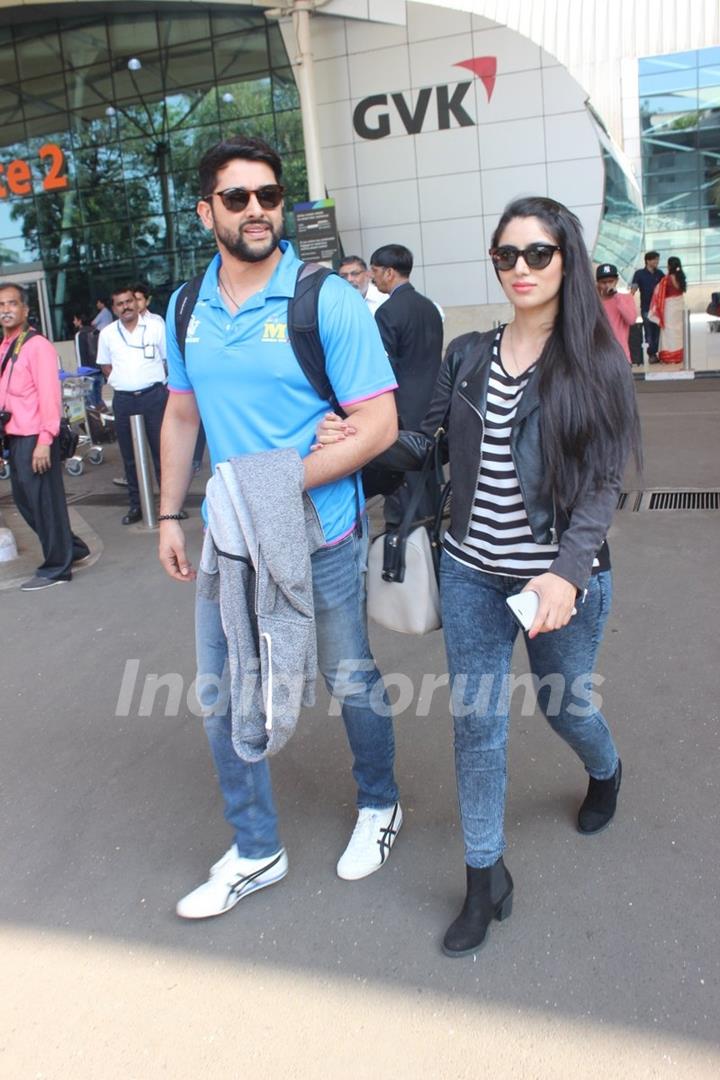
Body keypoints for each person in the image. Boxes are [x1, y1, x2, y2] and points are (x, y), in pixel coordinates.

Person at [316, 197, 641, 958]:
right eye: (507, 255)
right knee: (478, 724)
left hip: (560, 584)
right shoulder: (468, 353)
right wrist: (358, 441)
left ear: (567, 259)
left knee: (567, 709)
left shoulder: (594, 359)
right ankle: (484, 877)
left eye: (538, 253)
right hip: (470, 574)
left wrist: (565, 574)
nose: (521, 269)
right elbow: (422, 440)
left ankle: (607, 768)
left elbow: (600, 487)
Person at [158, 135, 402, 920]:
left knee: (348, 676)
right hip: (233, 542)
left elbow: (379, 426)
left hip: (321, 534)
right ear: (207, 212)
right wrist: (169, 513)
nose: (258, 210)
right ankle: (257, 848)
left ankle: (380, 803)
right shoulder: (186, 306)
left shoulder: (323, 297)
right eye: (238, 198)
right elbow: (182, 412)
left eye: (269, 196)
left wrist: (280, 483)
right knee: (225, 696)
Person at [0, 282, 90, 590]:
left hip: (36, 437)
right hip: (14, 437)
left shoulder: (37, 346)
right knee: (26, 503)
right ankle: (72, 547)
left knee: (44, 504)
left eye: (12, 304)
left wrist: (44, 440)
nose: (6, 310)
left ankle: (57, 567)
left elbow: (50, 397)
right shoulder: (5, 347)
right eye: (1, 305)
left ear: (25, 310)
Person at [369, 243, 444, 526]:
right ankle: (431, 530)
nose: (373, 277)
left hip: (403, 409)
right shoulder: (430, 308)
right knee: (429, 474)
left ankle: (410, 541)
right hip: (434, 404)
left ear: (389, 272)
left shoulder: (388, 312)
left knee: (405, 482)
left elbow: (384, 369)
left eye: (375, 271)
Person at [97, 287, 168, 524]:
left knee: (162, 454)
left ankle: (169, 507)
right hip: (124, 400)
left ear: (137, 303)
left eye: (129, 301)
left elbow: (168, 360)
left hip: (154, 396)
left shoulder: (156, 326)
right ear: (114, 308)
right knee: (129, 456)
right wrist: (121, 379)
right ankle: (137, 505)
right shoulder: (107, 334)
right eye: (120, 303)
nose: (126, 306)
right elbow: (105, 366)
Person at [649, 256, 687, 365]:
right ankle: (679, 354)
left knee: (668, 330)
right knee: (678, 330)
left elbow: (659, 292)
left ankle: (670, 356)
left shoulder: (667, 279)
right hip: (679, 305)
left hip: (670, 307)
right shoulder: (681, 276)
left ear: (669, 265)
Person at [595, 263, 637, 362]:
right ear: (598, 283)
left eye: (610, 281)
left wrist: (616, 296)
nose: (607, 285)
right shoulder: (594, 303)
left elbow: (631, 320)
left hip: (621, 356)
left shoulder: (626, 298)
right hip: (600, 356)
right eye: (603, 282)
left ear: (617, 281)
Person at [630, 251, 664, 363]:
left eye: (657, 260)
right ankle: (652, 355)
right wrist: (629, 298)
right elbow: (634, 287)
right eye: (655, 260)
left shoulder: (660, 274)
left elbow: (665, 287)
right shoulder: (639, 273)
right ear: (648, 261)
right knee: (648, 332)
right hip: (646, 308)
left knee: (657, 332)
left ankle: (655, 352)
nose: (657, 262)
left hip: (658, 309)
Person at [72, 313, 104, 409]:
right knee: (98, 401)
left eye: (75, 319)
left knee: (90, 405)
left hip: (88, 373)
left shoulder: (80, 335)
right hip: (99, 371)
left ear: (80, 321)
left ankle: (97, 423)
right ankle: (105, 421)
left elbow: (80, 355)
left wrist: (81, 375)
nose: (74, 322)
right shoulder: (97, 332)